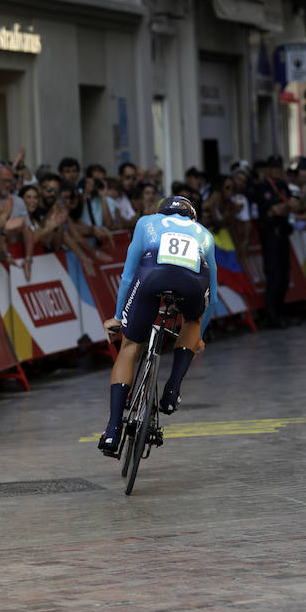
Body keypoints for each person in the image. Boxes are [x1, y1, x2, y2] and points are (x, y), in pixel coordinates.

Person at [98, 195, 217, 455]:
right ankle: (172, 389)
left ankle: (113, 430)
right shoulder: (204, 234)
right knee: (193, 320)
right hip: (192, 281)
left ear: (161, 213)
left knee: (130, 345)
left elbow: (128, 275)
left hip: (152, 275)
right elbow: (214, 299)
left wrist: (119, 317)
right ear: (192, 218)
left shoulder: (147, 223)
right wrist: (198, 334)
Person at [251, 155, 293, 328]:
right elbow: (272, 210)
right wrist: (282, 209)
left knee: (284, 276)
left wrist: (281, 209)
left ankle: (280, 312)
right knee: (274, 276)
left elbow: (290, 205)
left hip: (283, 234)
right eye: (274, 167)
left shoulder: (283, 186)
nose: (277, 170)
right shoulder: (262, 188)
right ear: (268, 169)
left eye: (279, 167)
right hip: (270, 236)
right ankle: (272, 315)